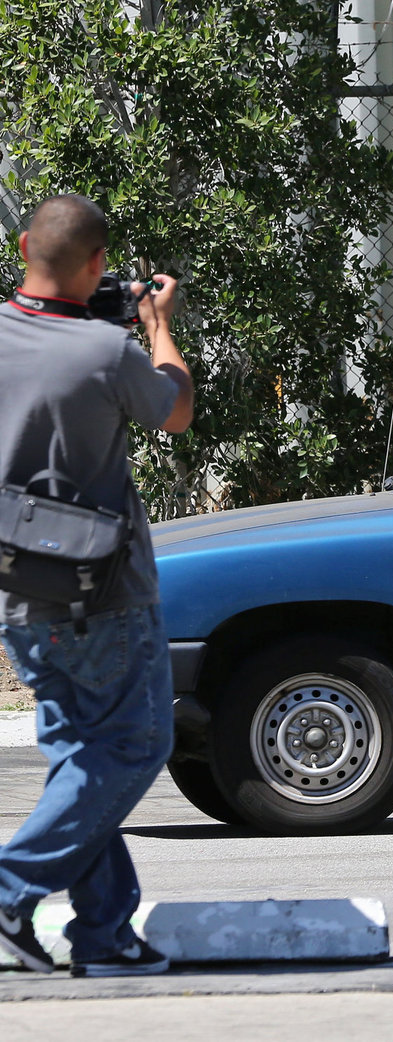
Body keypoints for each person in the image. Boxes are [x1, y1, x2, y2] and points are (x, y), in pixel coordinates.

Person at [0, 194, 193, 977]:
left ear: (21, 249)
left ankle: (105, 934)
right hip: (105, 591)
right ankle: (11, 887)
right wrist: (156, 329)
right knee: (139, 743)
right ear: (97, 265)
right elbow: (174, 411)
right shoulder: (107, 355)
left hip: (18, 591)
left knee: (82, 758)